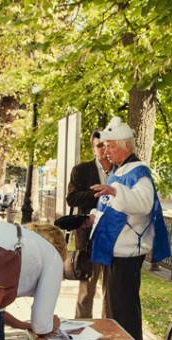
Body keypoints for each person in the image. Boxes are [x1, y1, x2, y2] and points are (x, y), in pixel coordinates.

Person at [88, 117, 170, 340]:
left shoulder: (139, 171)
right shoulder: (119, 170)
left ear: (125, 145)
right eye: (105, 146)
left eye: (110, 146)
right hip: (115, 250)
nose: (106, 151)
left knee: (126, 309)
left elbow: (144, 205)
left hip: (128, 252)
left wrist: (114, 192)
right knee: (114, 308)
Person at [66, 130, 111, 320]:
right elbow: (72, 198)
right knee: (87, 287)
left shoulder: (121, 170)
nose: (104, 149)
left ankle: (108, 328)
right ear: (93, 148)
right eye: (99, 145)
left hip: (115, 238)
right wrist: (97, 193)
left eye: (107, 144)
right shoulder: (82, 170)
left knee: (112, 290)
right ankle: (83, 327)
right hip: (89, 238)